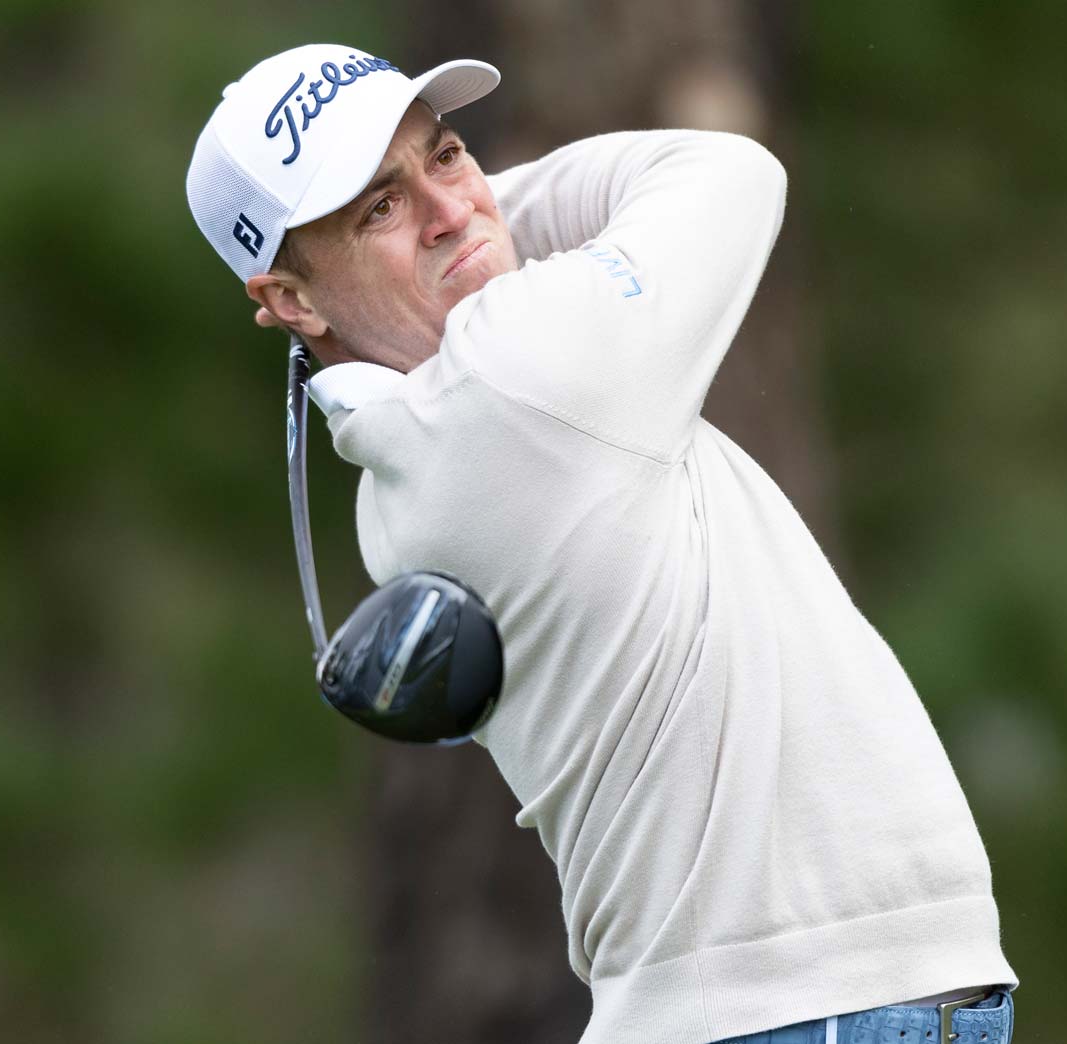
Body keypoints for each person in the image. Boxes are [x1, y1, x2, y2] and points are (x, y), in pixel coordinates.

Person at [186, 43, 1019, 1044]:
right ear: (290, 301)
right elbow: (729, 173)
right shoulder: (516, 372)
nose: (450, 205)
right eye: (377, 209)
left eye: (446, 156)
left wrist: (452, 229)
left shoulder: (396, 479)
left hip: (785, 1005)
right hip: (801, 1004)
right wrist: (490, 223)